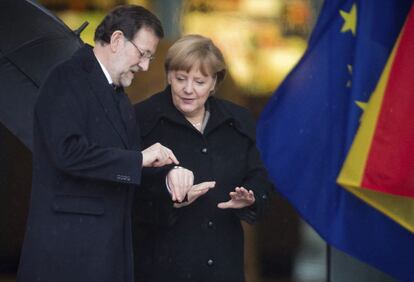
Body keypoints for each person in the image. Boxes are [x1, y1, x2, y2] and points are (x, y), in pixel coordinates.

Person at [17, 5, 194, 282]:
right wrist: (139, 160)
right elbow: (68, 152)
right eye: (143, 54)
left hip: (108, 251)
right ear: (116, 40)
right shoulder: (65, 78)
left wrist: (170, 182)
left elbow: (126, 169)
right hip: (68, 253)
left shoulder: (120, 98)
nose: (146, 66)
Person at [133, 34, 274, 282]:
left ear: (214, 83)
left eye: (199, 81)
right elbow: (129, 190)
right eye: (180, 79)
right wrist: (167, 192)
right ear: (168, 76)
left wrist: (250, 196)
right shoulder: (142, 119)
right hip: (164, 265)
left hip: (223, 263)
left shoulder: (238, 120)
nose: (188, 89)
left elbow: (259, 174)